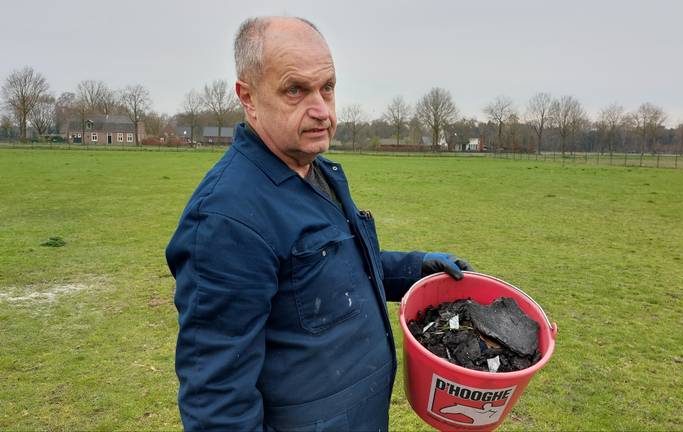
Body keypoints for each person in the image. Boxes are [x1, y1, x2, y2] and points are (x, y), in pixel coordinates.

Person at [166, 16, 473, 431]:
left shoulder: (316, 171)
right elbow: (217, 402)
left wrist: (414, 269)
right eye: (296, 90)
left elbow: (335, 271)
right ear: (248, 97)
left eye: (327, 87)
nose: (321, 111)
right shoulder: (226, 219)